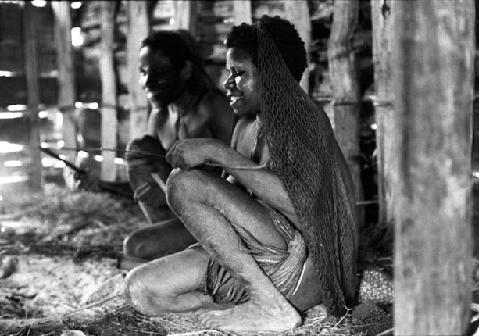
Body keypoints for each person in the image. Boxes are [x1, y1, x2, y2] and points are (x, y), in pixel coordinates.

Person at [124, 16, 358, 332]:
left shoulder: (300, 120)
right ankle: (234, 308)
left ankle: (269, 306)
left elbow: (307, 208)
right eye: (229, 72)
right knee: (141, 288)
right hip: (257, 254)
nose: (228, 82)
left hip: (302, 264)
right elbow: (232, 201)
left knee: (184, 185)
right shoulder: (247, 125)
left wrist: (216, 152)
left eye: (239, 73)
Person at [122, 31, 234, 266]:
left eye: (159, 73)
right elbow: (155, 185)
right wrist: (99, 186)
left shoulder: (215, 108)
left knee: (136, 247)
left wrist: (175, 174)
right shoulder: (160, 117)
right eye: (143, 73)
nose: (148, 82)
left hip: (224, 222)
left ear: (185, 71)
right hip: (183, 218)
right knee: (139, 151)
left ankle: (208, 262)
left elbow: (242, 181)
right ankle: (180, 257)